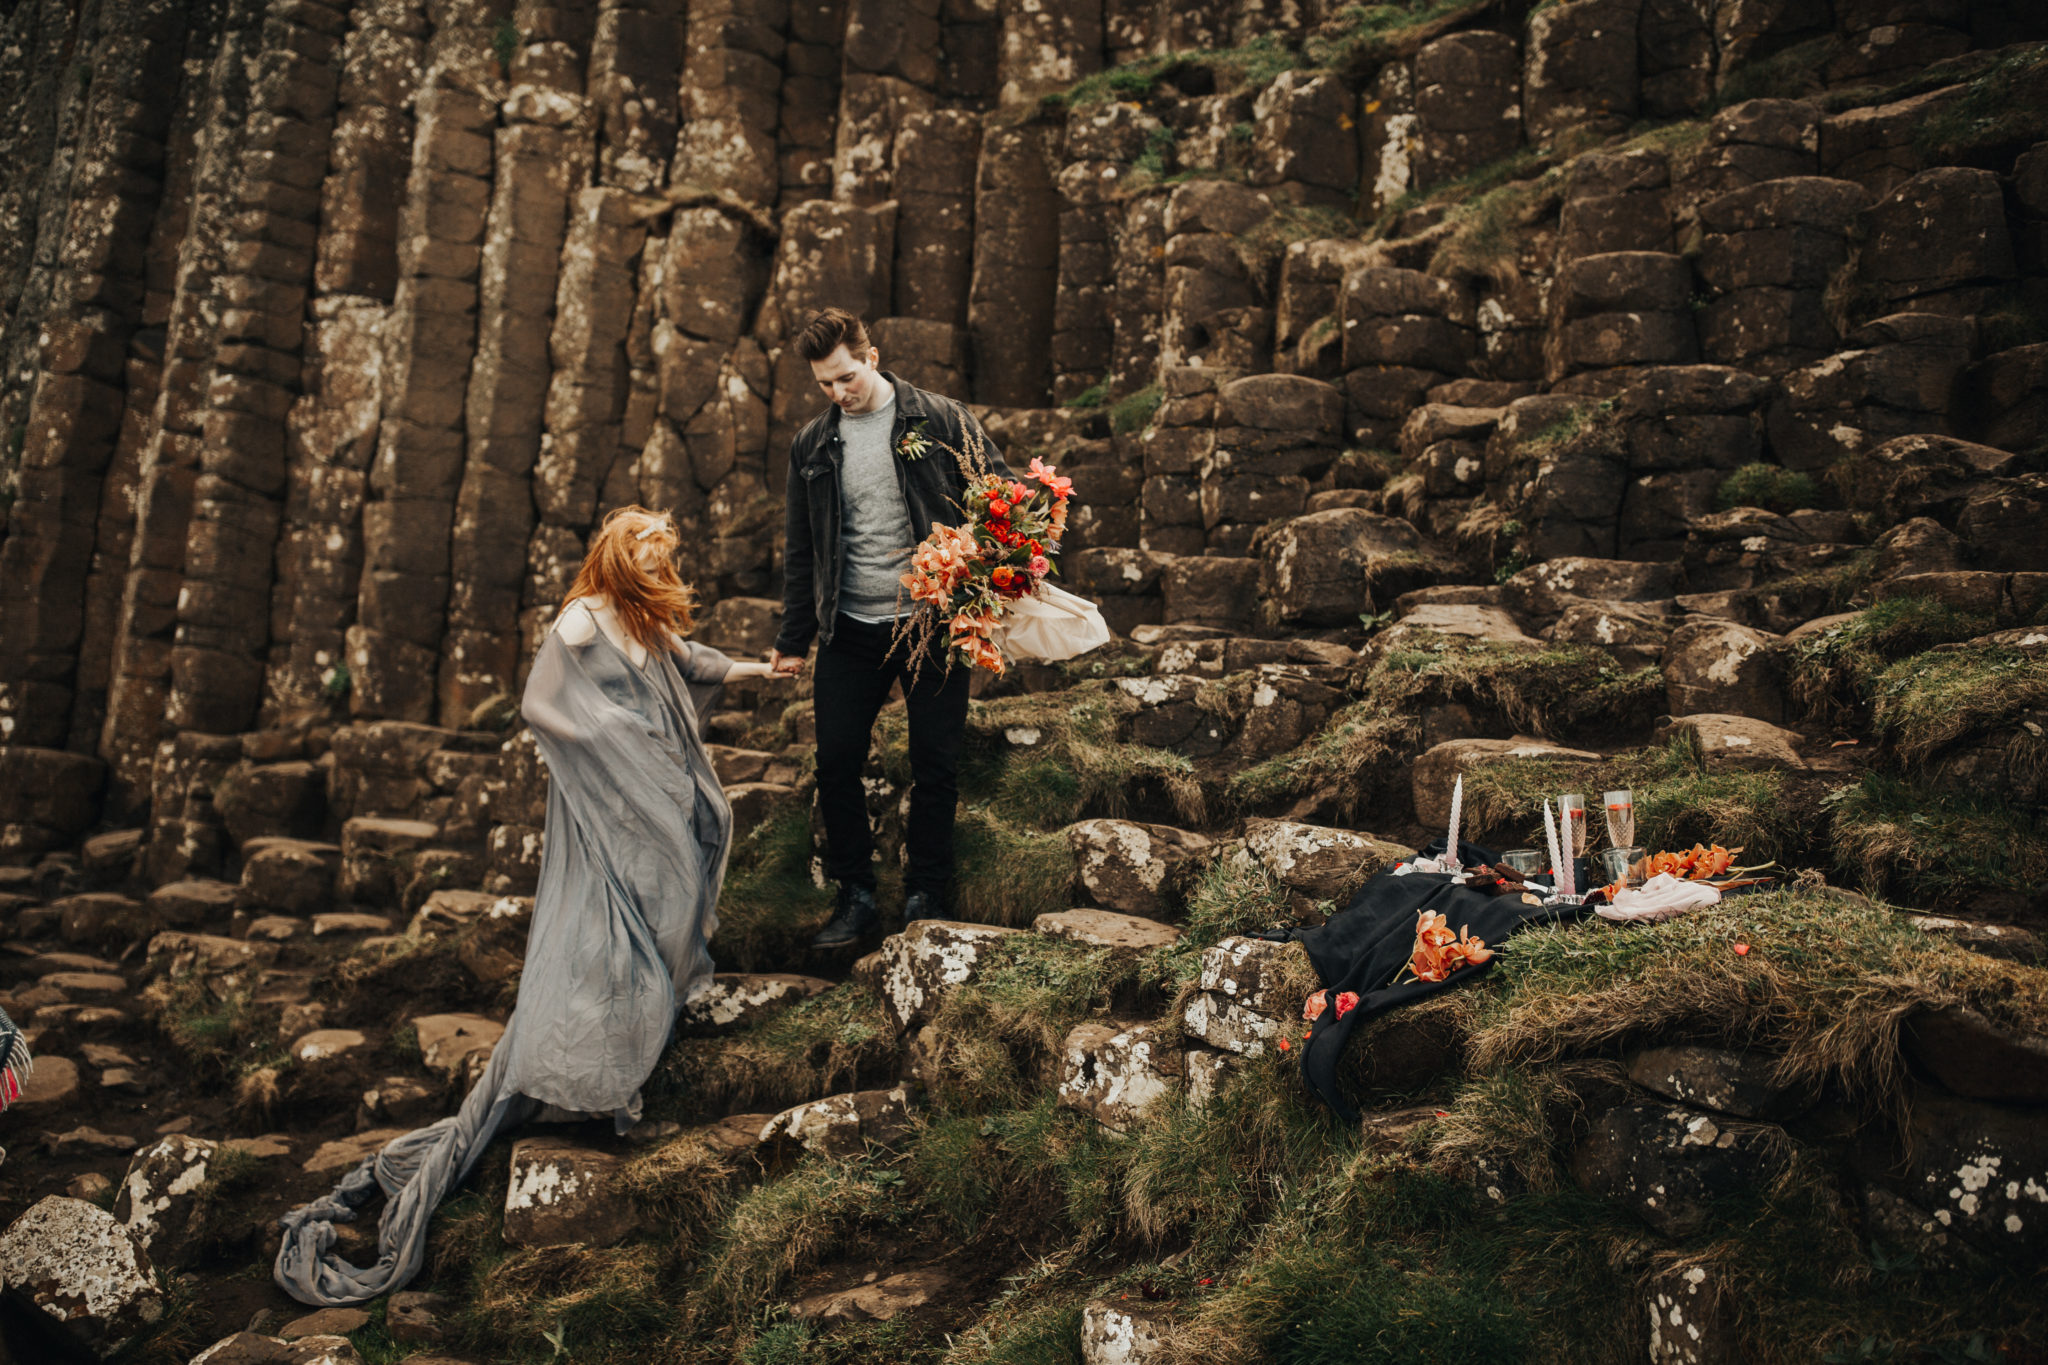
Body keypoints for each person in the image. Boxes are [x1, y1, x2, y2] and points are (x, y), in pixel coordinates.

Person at [275, 506, 775, 1306]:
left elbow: (699, 665)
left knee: (674, 903)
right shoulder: (582, 622)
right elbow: (539, 705)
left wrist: (767, 672)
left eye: (664, 551)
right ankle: (609, 1075)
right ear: (622, 551)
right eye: (651, 548)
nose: (661, 560)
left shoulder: (644, 620)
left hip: (657, 789)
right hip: (611, 796)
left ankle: (628, 1043)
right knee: (618, 926)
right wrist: (602, 729)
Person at [769, 307, 1015, 948]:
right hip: (849, 626)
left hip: (933, 625)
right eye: (824, 384)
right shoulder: (811, 444)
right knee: (836, 763)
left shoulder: (942, 419)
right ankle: (855, 896)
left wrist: (986, 572)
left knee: (936, 765)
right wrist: (793, 639)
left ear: (871, 358)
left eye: (846, 377)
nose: (837, 393)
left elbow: (1006, 496)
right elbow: (802, 550)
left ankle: (926, 893)